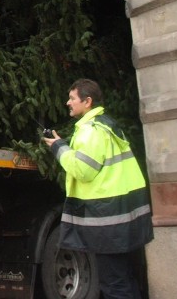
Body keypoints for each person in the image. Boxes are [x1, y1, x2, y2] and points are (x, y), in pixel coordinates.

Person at [43, 79, 153, 299]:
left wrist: (58, 148)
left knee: (114, 285)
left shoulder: (90, 130)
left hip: (109, 221)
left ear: (88, 101)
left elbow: (84, 170)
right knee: (124, 279)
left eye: (72, 98)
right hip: (122, 217)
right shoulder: (105, 125)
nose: (68, 102)